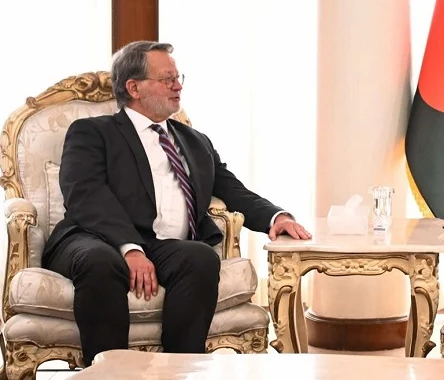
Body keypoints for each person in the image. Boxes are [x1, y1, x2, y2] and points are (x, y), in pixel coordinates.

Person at [42, 41, 312, 366]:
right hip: (93, 237)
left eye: (178, 77)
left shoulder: (195, 142)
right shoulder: (92, 133)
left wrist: (276, 217)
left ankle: (179, 370)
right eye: (167, 78)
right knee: (101, 262)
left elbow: (232, 189)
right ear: (134, 88)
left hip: (162, 245)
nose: (177, 85)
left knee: (200, 257)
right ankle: (110, 373)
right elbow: (86, 194)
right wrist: (130, 248)